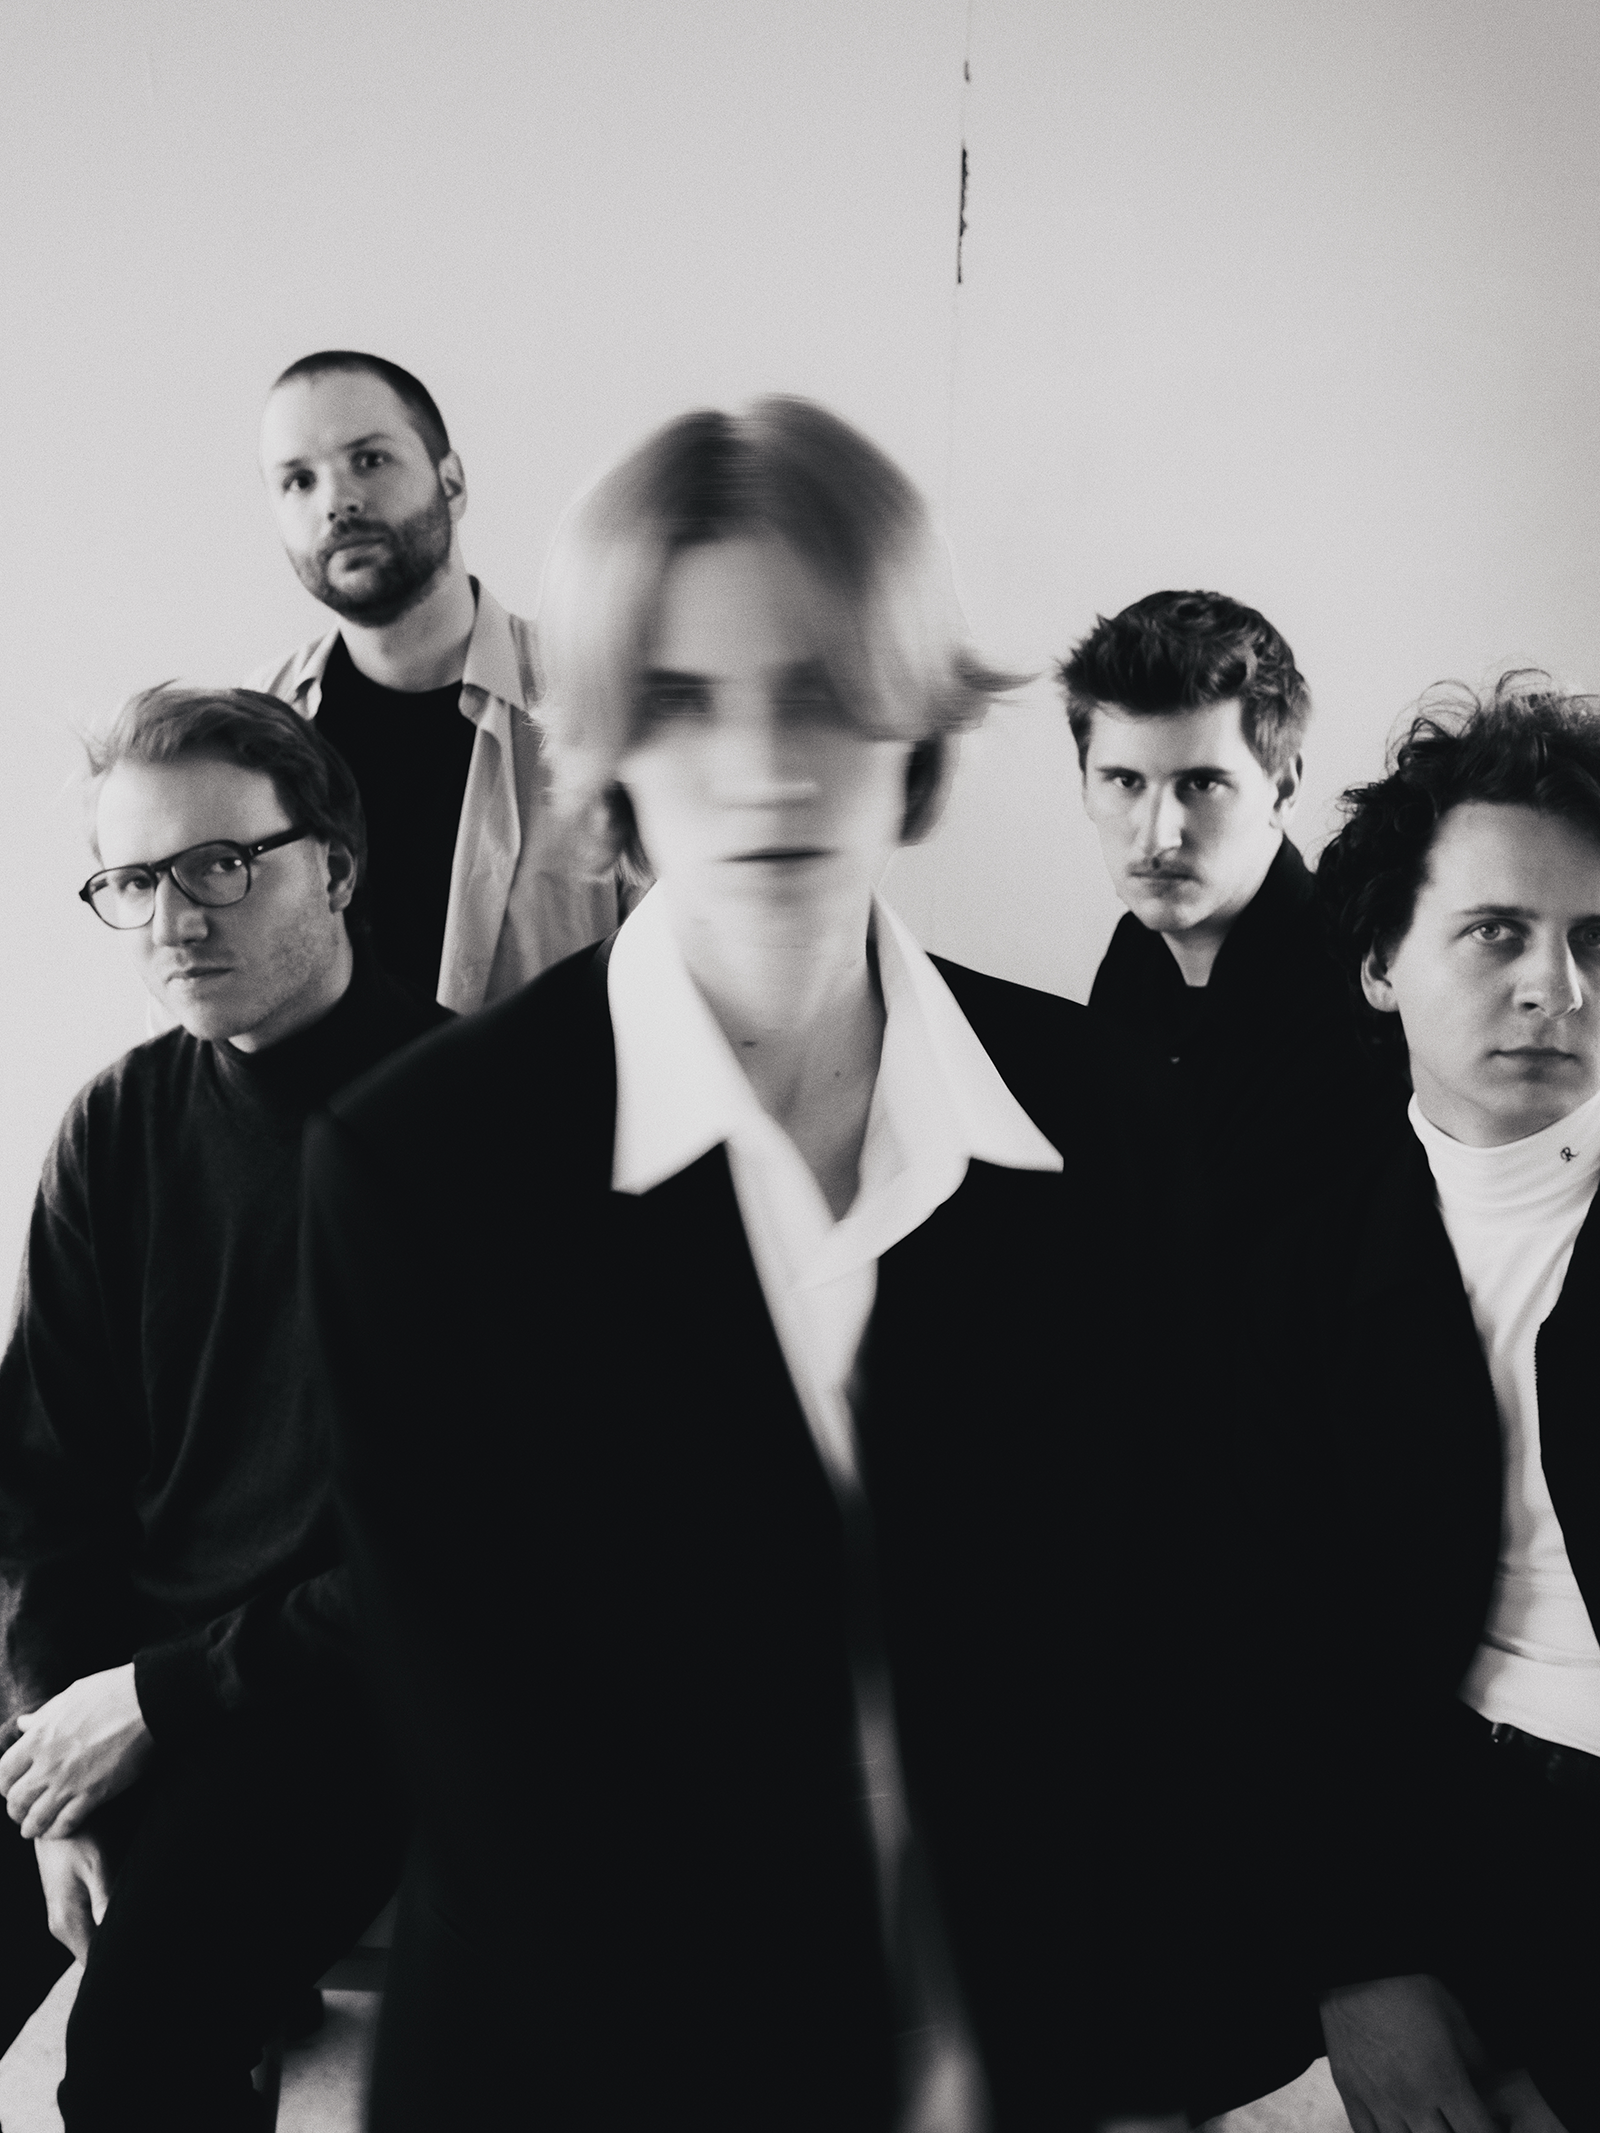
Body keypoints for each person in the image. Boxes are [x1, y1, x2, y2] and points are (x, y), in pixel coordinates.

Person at [302, 397, 1184, 2131]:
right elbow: (496, 1767)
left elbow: (1154, 1653)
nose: (765, 767)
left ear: (913, 724)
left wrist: (1147, 2063)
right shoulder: (420, 1168)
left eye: (821, 694)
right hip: (589, 2069)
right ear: (605, 746)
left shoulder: (1102, 1113)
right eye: (687, 702)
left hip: (1012, 2047)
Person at [0, 686, 447, 2131]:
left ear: (337, 867)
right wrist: (59, 1752)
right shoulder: (116, 1128)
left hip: (350, 1700)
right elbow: (43, 1489)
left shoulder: (479, 1120)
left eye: (219, 864)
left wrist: (153, 1702)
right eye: (132, 881)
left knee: (136, 2062)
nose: (175, 919)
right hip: (125, 1686)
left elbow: (467, 1551)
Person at [1246, 676, 1600, 2133]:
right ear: (1380, 962)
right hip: (1440, 1830)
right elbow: (1268, 1635)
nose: (1556, 987)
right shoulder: (1303, 1253)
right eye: (1497, 931)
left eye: (1594, 940)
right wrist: (1355, 1958)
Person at [252, 349, 629, 1010]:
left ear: (451, 483)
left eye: (370, 459)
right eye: (299, 481)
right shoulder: (251, 731)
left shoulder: (595, 701)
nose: (337, 502)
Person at [1059, 590, 1367, 1158]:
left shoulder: (1357, 997)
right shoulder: (1135, 953)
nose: (1156, 837)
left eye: (1201, 784)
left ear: (1283, 789)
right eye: (1125, 781)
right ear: (1085, 785)